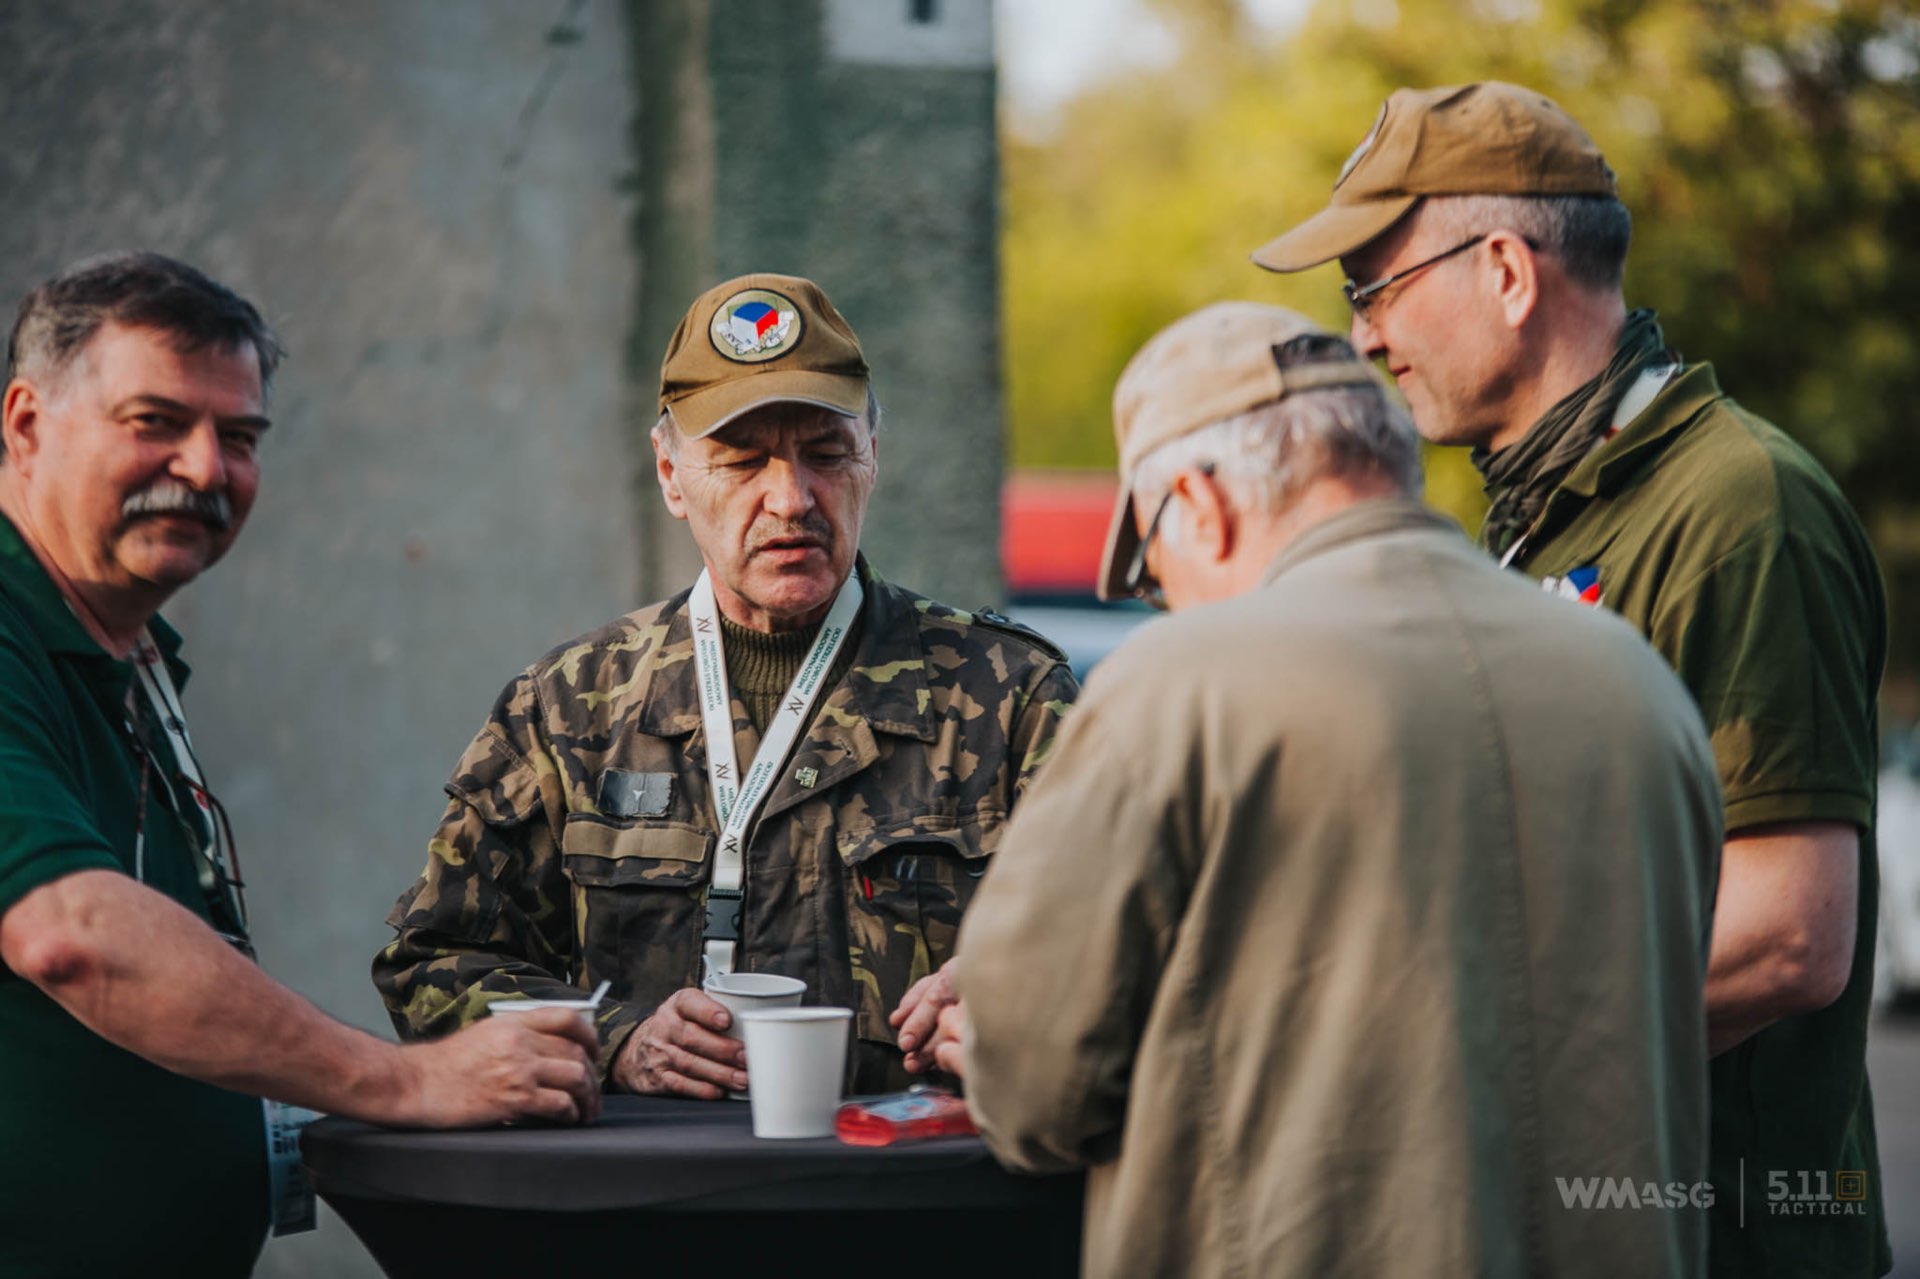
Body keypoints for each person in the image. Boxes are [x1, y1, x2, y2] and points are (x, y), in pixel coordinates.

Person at [929, 301, 1724, 1278]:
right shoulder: (1635, 682)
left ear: (1199, 504)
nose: (1163, 595)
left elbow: (1042, 1094)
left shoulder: (1175, 685)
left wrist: (996, 1042)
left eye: (1150, 563)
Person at [1252, 81, 1891, 1277]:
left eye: (1376, 289)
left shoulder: (1742, 506)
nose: (1368, 339)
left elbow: (1790, 933)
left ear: (1505, 270)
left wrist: (1453, 1053)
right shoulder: (1539, 518)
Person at [0, 253, 601, 1278]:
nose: (203, 468)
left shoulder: (127, 657)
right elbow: (71, 935)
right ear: (25, 424)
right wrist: (407, 1081)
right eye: (154, 421)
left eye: (237, 437)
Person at [373, 271, 1077, 1098]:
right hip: (660, 1205)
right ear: (671, 475)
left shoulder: (1009, 698)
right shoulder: (571, 709)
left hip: (904, 1201)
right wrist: (614, 1039)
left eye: (826, 454)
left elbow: (1130, 940)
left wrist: (1015, 993)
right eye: (742, 461)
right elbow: (432, 963)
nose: (790, 498)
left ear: (873, 457)